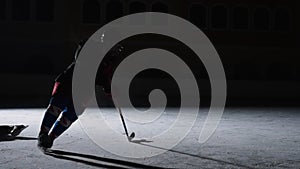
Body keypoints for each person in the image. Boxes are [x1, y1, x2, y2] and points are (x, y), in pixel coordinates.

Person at [37, 40, 121, 150]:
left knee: (71, 115)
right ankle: (43, 135)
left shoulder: (110, 62)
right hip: (69, 82)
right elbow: (81, 59)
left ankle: (50, 139)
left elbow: (104, 79)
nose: (117, 49)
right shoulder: (91, 46)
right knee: (57, 106)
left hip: (84, 90)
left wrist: (110, 89)